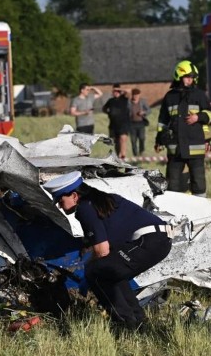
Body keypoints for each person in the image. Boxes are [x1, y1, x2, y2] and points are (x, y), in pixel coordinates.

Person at [43, 171, 172, 330]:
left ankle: (125, 324)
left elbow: (102, 250)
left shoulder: (85, 208)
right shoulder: (101, 200)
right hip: (159, 240)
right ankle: (138, 322)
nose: (59, 206)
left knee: (96, 273)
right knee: (114, 273)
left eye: (60, 200)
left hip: (149, 241)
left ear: (75, 196)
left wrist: (87, 272)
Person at [155, 60, 211, 197]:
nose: (190, 80)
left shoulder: (199, 95)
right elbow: (162, 120)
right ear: (179, 76)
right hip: (175, 148)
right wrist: (159, 140)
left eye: (192, 77)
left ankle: (201, 208)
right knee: (172, 182)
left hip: (195, 146)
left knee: (198, 182)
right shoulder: (170, 97)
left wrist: (198, 117)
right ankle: (173, 209)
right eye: (187, 76)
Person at [102, 84, 131, 159]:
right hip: (113, 124)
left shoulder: (124, 98)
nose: (114, 92)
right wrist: (108, 112)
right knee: (116, 142)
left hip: (123, 123)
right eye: (113, 91)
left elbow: (129, 91)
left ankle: (123, 155)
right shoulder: (110, 100)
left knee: (123, 138)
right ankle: (119, 156)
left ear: (119, 91)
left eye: (116, 91)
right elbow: (104, 109)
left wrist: (119, 89)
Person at [129, 88, 150, 156]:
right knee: (133, 140)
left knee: (142, 138)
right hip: (132, 123)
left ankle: (141, 151)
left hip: (141, 123)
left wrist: (143, 112)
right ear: (132, 95)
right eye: (134, 95)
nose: (135, 96)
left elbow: (149, 110)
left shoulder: (142, 101)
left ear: (139, 95)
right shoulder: (129, 102)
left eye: (137, 95)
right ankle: (135, 154)